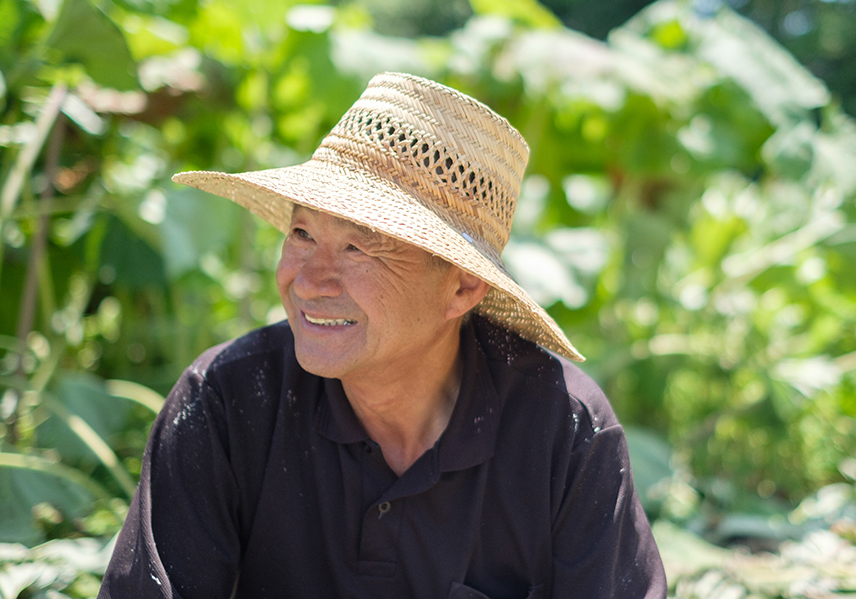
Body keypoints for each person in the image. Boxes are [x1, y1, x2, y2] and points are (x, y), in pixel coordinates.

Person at [98, 73, 666, 599]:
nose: (312, 280)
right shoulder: (225, 400)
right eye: (301, 233)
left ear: (463, 288)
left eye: (358, 247)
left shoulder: (564, 432)